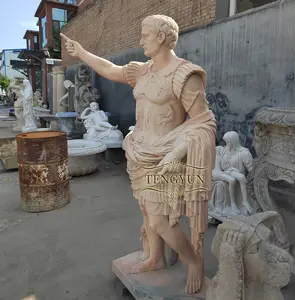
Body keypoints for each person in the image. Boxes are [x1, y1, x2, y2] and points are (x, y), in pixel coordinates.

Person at [61, 14, 216, 294]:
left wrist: (177, 153)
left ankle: (194, 261)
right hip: (139, 152)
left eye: (145, 34)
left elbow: (203, 123)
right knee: (147, 212)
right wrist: (81, 52)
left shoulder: (185, 76)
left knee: (160, 220)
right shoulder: (142, 71)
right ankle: (155, 258)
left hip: (165, 157)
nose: (141, 39)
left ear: (161, 36)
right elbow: (109, 69)